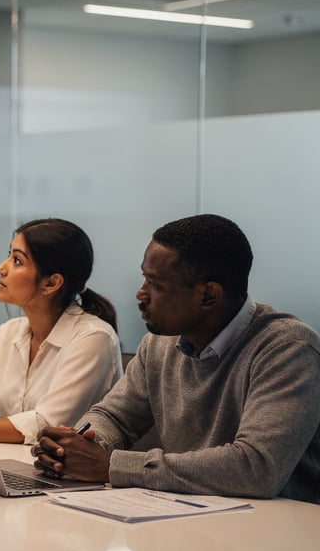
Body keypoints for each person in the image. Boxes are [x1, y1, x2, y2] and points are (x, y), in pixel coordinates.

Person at [32, 214, 320, 503]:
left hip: (276, 530)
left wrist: (111, 466)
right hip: (187, 512)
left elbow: (257, 468)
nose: (140, 293)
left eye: (156, 285)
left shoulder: (288, 349)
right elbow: (114, 417)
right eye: (144, 278)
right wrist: (74, 447)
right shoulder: (160, 342)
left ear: (209, 295)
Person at [0, 218, 122, 444]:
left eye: (16, 260)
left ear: (51, 283)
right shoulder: (8, 332)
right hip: (15, 464)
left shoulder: (94, 338)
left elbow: (45, 425)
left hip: (70, 475)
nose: (1, 268)